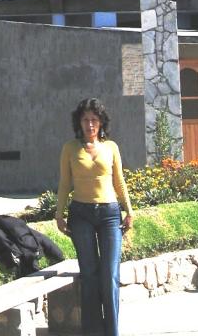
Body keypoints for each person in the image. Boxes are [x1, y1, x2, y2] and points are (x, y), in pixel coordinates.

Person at [55, 97, 133, 336]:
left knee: (110, 274)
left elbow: (119, 181)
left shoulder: (111, 147)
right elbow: (65, 183)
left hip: (109, 213)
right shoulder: (70, 148)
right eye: (85, 120)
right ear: (79, 122)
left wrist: (129, 211)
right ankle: (93, 331)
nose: (90, 124)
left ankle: (112, 331)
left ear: (101, 123)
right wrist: (59, 214)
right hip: (81, 214)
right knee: (89, 274)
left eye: (94, 120)